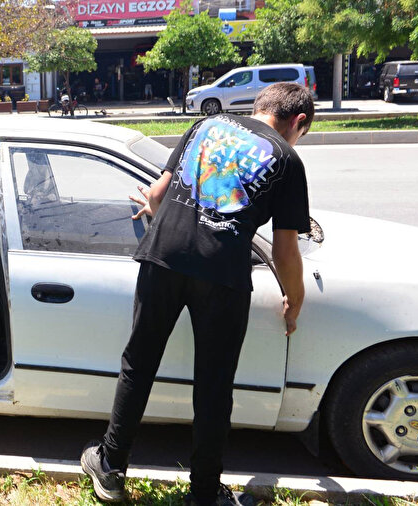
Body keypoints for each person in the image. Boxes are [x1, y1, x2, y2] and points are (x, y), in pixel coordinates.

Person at [81, 82, 314, 505]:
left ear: (259, 106)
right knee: (213, 385)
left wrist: (160, 212)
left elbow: (157, 193)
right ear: (298, 122)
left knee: (139, 362)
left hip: (164, 254)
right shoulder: (286, 158)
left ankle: (110, 466)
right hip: (222, 273)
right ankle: (204, 492)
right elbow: (284, 248)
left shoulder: (206, 124)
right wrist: (294, 298)